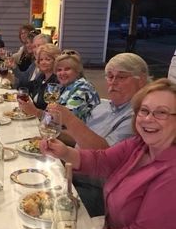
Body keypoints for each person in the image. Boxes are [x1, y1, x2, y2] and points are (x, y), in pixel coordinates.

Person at [40, 78, 176, 229]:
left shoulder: (171, 175)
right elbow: (103, 160)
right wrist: (65, 152)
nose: (148, 119)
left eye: (161, 113)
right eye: (144, 110)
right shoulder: (140, 145)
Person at [47, 52, 149, 216]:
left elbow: (104, 157)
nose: (113, 82)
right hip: (72, 169)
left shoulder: (139, 118)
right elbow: (79, 140)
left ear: (141, 81)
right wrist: (53, 136)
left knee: (45, 208)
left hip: (95, 187)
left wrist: (68, 118)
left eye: (121, 77)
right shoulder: (103, 107)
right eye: (109, 76)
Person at [52, 50, 100, 122]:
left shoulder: (83, 88)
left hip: (80, 132)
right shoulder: (64, 87)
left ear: (77, 70)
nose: (62, 73)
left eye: (67, 69)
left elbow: (65, 118)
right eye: (59, 70)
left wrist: (37, 112)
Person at [17, 43, 60, 114]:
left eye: (47, 59)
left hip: (43, 122)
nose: (43, 62)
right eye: (41, 59)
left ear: (56, 61)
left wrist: (35, 111)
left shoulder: (55, 82)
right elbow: (25, 85)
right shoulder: (42, 77)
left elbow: (51, 114)